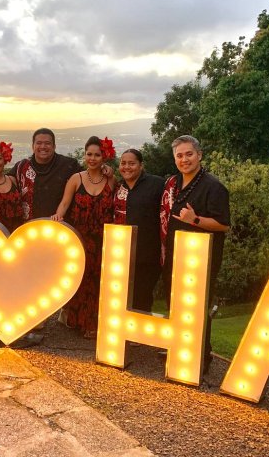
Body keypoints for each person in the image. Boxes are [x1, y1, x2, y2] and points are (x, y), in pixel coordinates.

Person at [160, 135, 230, 374]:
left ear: (199, 155)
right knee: (176, 304)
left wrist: (196, 220)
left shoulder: (214, 186)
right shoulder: (173, 184)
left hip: (201, 259)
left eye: (189, 154)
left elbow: (224, 224)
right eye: (179, 155)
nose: (184, 159)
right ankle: (178, 348)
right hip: (175, 254)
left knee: (198, 308)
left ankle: (201, 358)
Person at [52, 136, 116, 338]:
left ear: (103, 157)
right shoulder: (76, 179)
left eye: (97, 155)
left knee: (98, 281)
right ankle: (77, 320)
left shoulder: (111, 180)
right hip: (80, 237)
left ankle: (94, 323)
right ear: (84, 154)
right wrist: (58, 216)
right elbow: (64, 203)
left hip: (102, 239)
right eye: (89, 154)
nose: (93, 158)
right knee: (81, 279)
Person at [113, 149, 165, 313]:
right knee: (120, 296)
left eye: (131, 163)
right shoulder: (117, 187)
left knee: (143, 297)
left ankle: (141, 336)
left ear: (141, 165)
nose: (126, 167)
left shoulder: (157, 184)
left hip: (148, 254)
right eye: (123, 163)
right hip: (122, 254)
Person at [8, 128, 82, 220]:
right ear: (33, 146)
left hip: (60, 227)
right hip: (28, 228)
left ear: (54, 146)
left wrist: (103, 168)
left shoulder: (69, 165)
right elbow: (2, 182)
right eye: (39, 143)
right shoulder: (21, 167)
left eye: (47, 143)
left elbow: (88, 178)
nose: (43, 146)